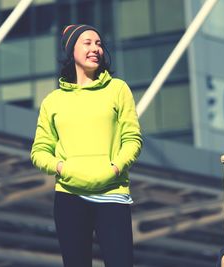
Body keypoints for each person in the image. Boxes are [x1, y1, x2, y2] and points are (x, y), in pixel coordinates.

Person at [30, 24, 143, 267]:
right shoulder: (53, 101)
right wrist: (62, 168)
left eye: (99, 44)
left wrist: (114, 168)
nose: (95, 48)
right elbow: (39, 151)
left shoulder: (118, 89)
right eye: (88, 43)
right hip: (70, 197)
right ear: (72, 51)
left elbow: (132, 139)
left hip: (112, 195)